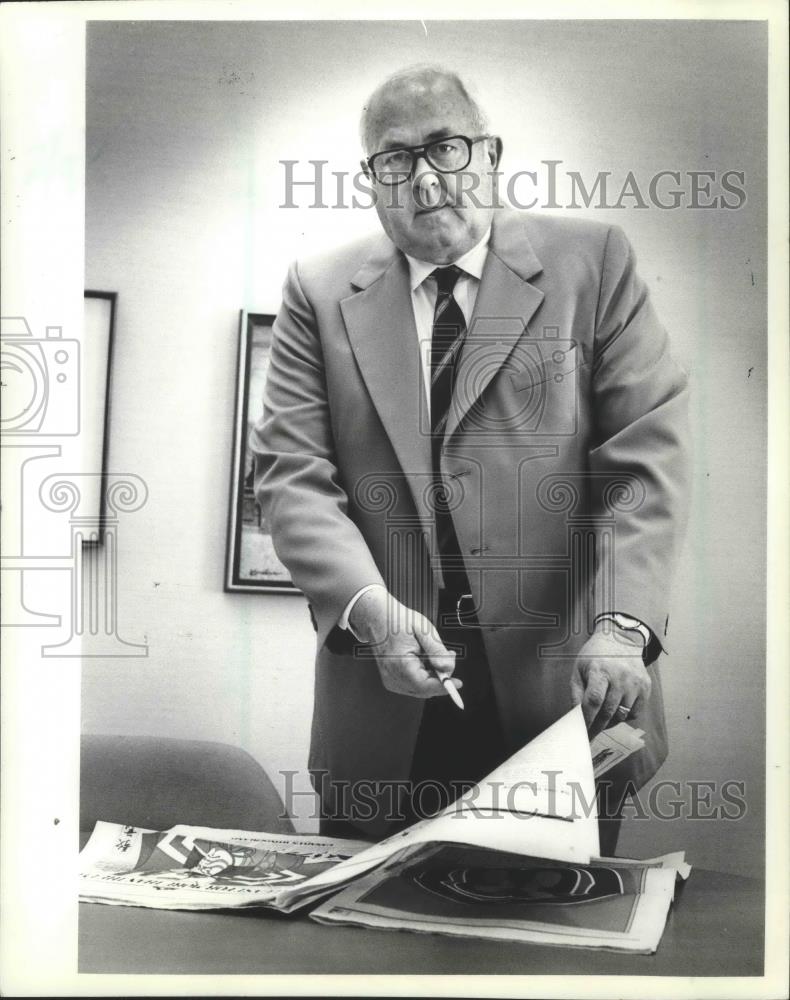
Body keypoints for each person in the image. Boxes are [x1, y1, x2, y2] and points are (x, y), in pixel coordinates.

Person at [251, 65, 690, 853]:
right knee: (364, 955)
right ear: (372, 180)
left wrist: (621, 627)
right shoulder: (316, 292)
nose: (423, 179)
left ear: (490, 154)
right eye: (395, 160)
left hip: (566, 695)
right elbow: (292, 476)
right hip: (386, 706)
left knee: (553, 949)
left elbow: (643, 462)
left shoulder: (595, 263)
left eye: (444, 147)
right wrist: (368, 610)